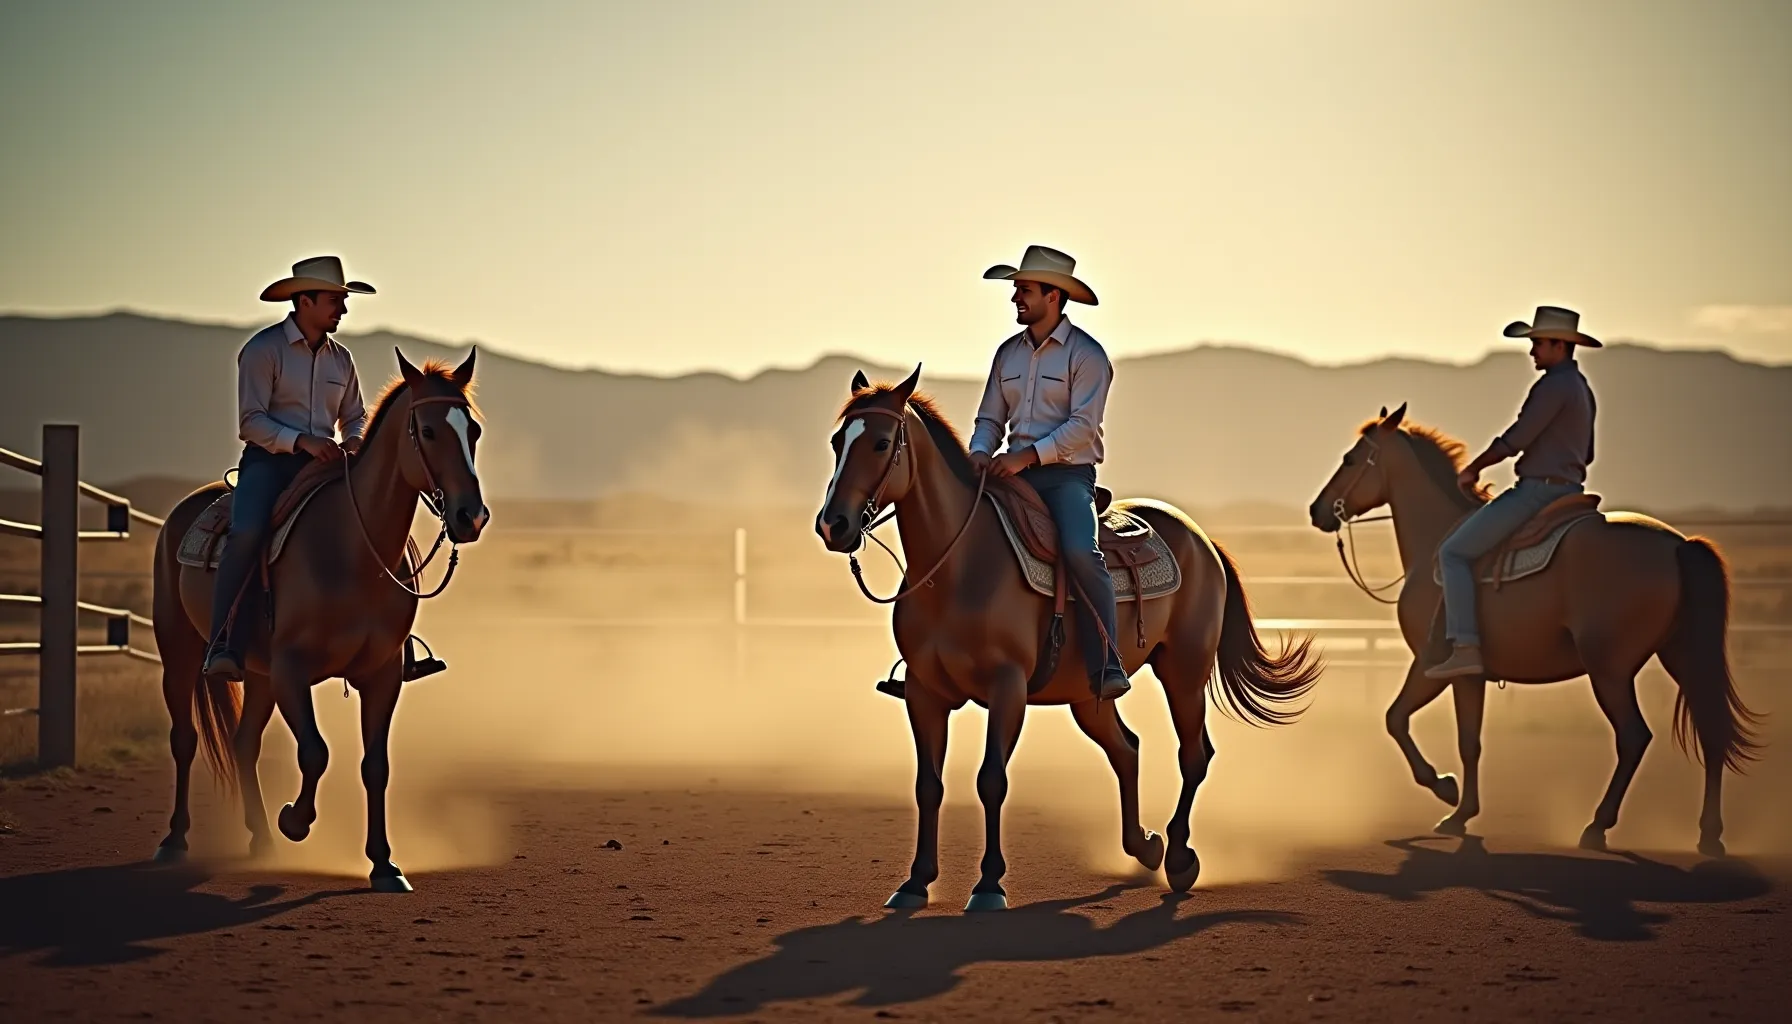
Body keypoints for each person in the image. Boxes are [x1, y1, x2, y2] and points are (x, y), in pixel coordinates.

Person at [969, 245, 1130, 700]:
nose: (1016, 298)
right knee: (956, 530)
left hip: (1065, 477)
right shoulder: (1007, 355)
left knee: (1081, 551)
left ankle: (1106, 661)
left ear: (1053, 296)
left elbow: (1082, 428)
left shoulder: (1088, 356)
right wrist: (980, 451)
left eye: (1024, 290)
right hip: (1008, 473)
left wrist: (1027, 457)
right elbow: (989, 418)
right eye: (1016, 289)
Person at [201, 256, 374, 683]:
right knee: (247, 533)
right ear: (304, 300)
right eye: (335, 300)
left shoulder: (342, 360)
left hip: (330, 464)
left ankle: (389, 641)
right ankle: (224, 642)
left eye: (342, 300)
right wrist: (303, 441)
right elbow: (251, 421)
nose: (343, 309)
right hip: (271, 462)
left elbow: (356, 415)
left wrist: (353, 440)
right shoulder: (263, 350)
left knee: (374, 525)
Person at [1426, 305, 1600, 680]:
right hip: (1570, 489)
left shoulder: (1552, 386)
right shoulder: (1582, 389)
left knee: (1453, 553)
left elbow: (1517, 438)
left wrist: (1475, 468)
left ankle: (1466, 646)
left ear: (1560, 345)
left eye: (1538, 343)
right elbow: (1587, 453)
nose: (1533, 350)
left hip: (1538, 492)